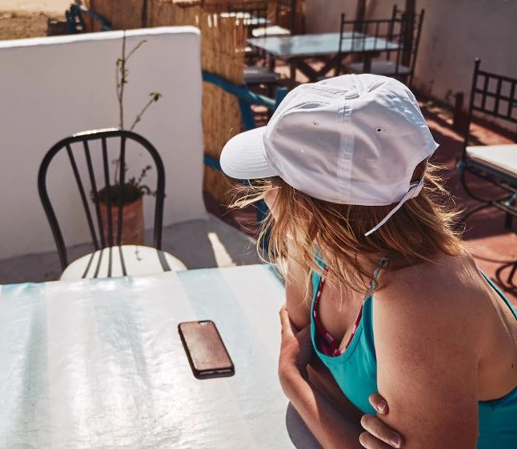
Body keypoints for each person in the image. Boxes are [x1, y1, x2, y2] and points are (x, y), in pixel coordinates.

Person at [219, 74, 517, 448]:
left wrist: (290, 378)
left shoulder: (423, 298)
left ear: (310, 210)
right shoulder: (322, 246)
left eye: (273, 180)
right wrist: (312, 385)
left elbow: (302, 362)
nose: (266, 195)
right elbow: (308, 354)